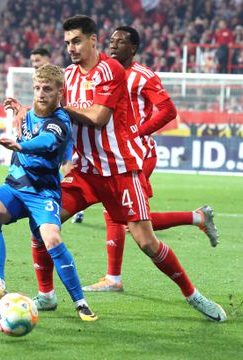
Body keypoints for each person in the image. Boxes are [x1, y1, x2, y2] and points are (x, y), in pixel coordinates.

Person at [12, 15, 226, 322]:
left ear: (93, 40)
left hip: (120, 170)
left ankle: (193, 295)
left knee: (147, 242)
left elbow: (98, 116)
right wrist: (27, 112)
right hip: (85, 172)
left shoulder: (110, 70)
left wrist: (58, 108)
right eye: (67, 43)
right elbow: (49, 112)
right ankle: (46, 295)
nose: (71, 48)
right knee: (42, 224)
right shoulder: (67, 76)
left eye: (76, 41)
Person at [82, 26, 220, 293]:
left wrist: (137, 131)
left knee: (130, 219)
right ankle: (114, 277)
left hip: (138, 154)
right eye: (111, 41)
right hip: (115, 154)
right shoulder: (103, 73)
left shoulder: (143, 76)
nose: (113, 46)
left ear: (132, 48)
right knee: (123, 216)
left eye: (120, 42)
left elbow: (168, 110)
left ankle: (114, 277)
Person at [0, 64, 98, 321]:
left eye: (47, 89)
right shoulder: (29, 112)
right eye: (37, 88)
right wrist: (21, 109)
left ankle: (80, 303)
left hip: (44, 192)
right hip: (16, 185)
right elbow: (31, 115)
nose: (41, 93)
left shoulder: (60, 121)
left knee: (51, 239)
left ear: (59, 93)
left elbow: (46, 142)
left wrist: (21, 146)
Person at [30, 47, 85, 224]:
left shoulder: (62, 78)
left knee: (65, 163)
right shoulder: (41, 80)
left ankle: (75, 204)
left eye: (37, 60)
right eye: (33, 61)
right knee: (57, 164)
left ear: (47, 59)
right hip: (46, 126)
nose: (34, 64)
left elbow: (68, 101)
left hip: (59, 126)